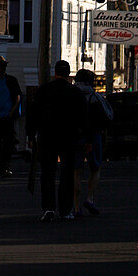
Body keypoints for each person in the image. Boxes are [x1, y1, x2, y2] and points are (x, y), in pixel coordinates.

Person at [30, 59, 87, 222]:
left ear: (55, 73)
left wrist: (31, 134)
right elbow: (83, 117)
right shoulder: (75, 93)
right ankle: (65, 209)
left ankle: (49, 208)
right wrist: (86, 138)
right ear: (69, 74)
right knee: (67, 173)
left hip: (47, 136)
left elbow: (34, 113)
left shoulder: (44, 90)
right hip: (69, 137)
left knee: (48, 172)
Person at [72, 68, 113, 216]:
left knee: (76, 171)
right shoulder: (95, 98)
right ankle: (89, 198)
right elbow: (107, 117)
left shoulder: (71, 96)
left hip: (74, 136)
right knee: (95, 168)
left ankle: (76, 207)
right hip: (93, 136)